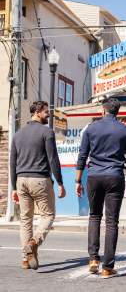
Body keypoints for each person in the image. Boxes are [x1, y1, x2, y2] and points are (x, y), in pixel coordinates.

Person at [75, 97, 126, 279]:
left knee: (94, 216)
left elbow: (82, 155)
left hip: (94, 176)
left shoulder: (91, 128)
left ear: (103, 110)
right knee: (112, 221)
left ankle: (93, 259)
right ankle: (107, 267)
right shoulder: (125, 130)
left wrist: (78, 180)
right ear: (117, 112)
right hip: (115, 176)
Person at [10, 101, 66, 270]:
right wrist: (60, 182)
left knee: (25, 220)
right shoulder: (46, 132)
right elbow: (53, 159)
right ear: (37, 112)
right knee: (48, 215)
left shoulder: (18, 134)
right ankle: (34, 242)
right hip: (40, 179)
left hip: (21, 180)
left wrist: (14, 187)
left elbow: (12, 162)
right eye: (45, 111)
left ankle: (26, 259)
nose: (48, 114)